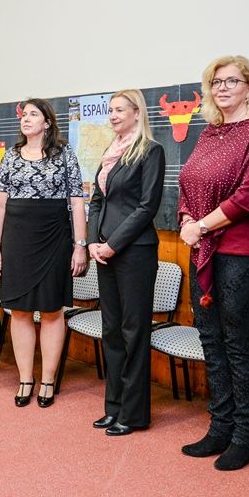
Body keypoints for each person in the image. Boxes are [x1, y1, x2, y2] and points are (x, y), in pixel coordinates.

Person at [177, 55, 249, 471]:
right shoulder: (209, 133)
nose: (222, 88)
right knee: (210, 338)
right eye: (216, 82)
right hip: (202, 247)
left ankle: (246, 434)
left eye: (232, 81)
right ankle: (220, 426)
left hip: (242, 251)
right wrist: (187, 219)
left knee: (238, 343)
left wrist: (201, 226)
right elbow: (188, 185)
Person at [0, 98, 88, 408]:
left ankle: (47, 380)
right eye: (24, 114)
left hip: (53, 237)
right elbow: (0, 204)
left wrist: (80, 246)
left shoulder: (64, 154)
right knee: (19, 311)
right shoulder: (11, 155)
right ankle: (25, 379)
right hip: (16, 240)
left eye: (34, 114)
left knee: (51, 311)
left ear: (47, 123)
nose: (26, 118)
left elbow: (77, 202)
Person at [87, 89, 166, 436]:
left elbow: (147, 207)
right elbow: (97, 201)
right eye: (111, 110)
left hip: (134, 253)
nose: (113, 116)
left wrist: (113, 245)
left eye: (120, 110)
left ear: (137, 113)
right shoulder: (111, 151)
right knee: (112, 331)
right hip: (104, 252)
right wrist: (93, 241)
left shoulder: (150, 150)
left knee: (134, 332)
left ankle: (133, 414)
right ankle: (113, 407)